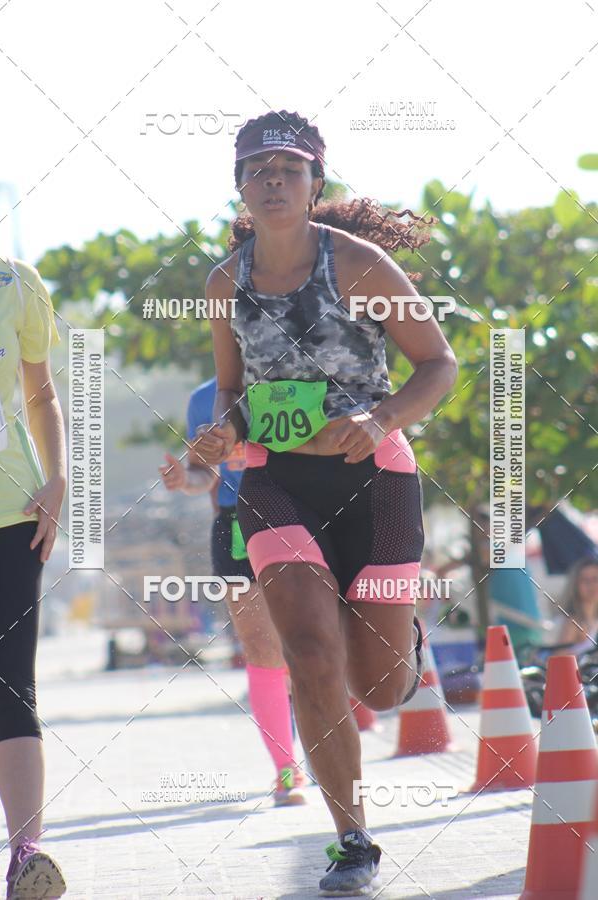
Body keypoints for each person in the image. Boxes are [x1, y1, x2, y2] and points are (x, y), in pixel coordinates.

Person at [194, 110, 458, 895]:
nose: (273, 181)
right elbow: (233, 392)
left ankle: (400, 638)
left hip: (376, 478)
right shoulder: (224, 283)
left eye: (289, 169)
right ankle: (353, 839)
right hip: (275, 482)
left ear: (314, 183)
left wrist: (380, 417)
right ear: (239, 186)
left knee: (378, 686)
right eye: (258, 170)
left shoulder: (360, 265)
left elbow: (438, 365)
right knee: (309, 654)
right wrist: (223, 431)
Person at [159, 376, 306, 805]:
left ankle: (324, 750)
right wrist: (182, 479)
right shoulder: (204, 398)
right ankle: (287, 770)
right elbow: (203, 475)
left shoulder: (293, 377)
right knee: (262, 649)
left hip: (299, 516)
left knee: (308, 644)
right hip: (236, 524)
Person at [0, 258, 67, 898]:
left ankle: (27, 855)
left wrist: (58, 476)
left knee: (12, 683)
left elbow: (40, 393)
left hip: (11, 511)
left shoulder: (17, 282)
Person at [554, 556, 598, 653]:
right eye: (585, 580)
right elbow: (559, 656)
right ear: (575, 585)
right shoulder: (572, 622)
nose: (592, 585)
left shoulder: (593, 619)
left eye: (595, 579)